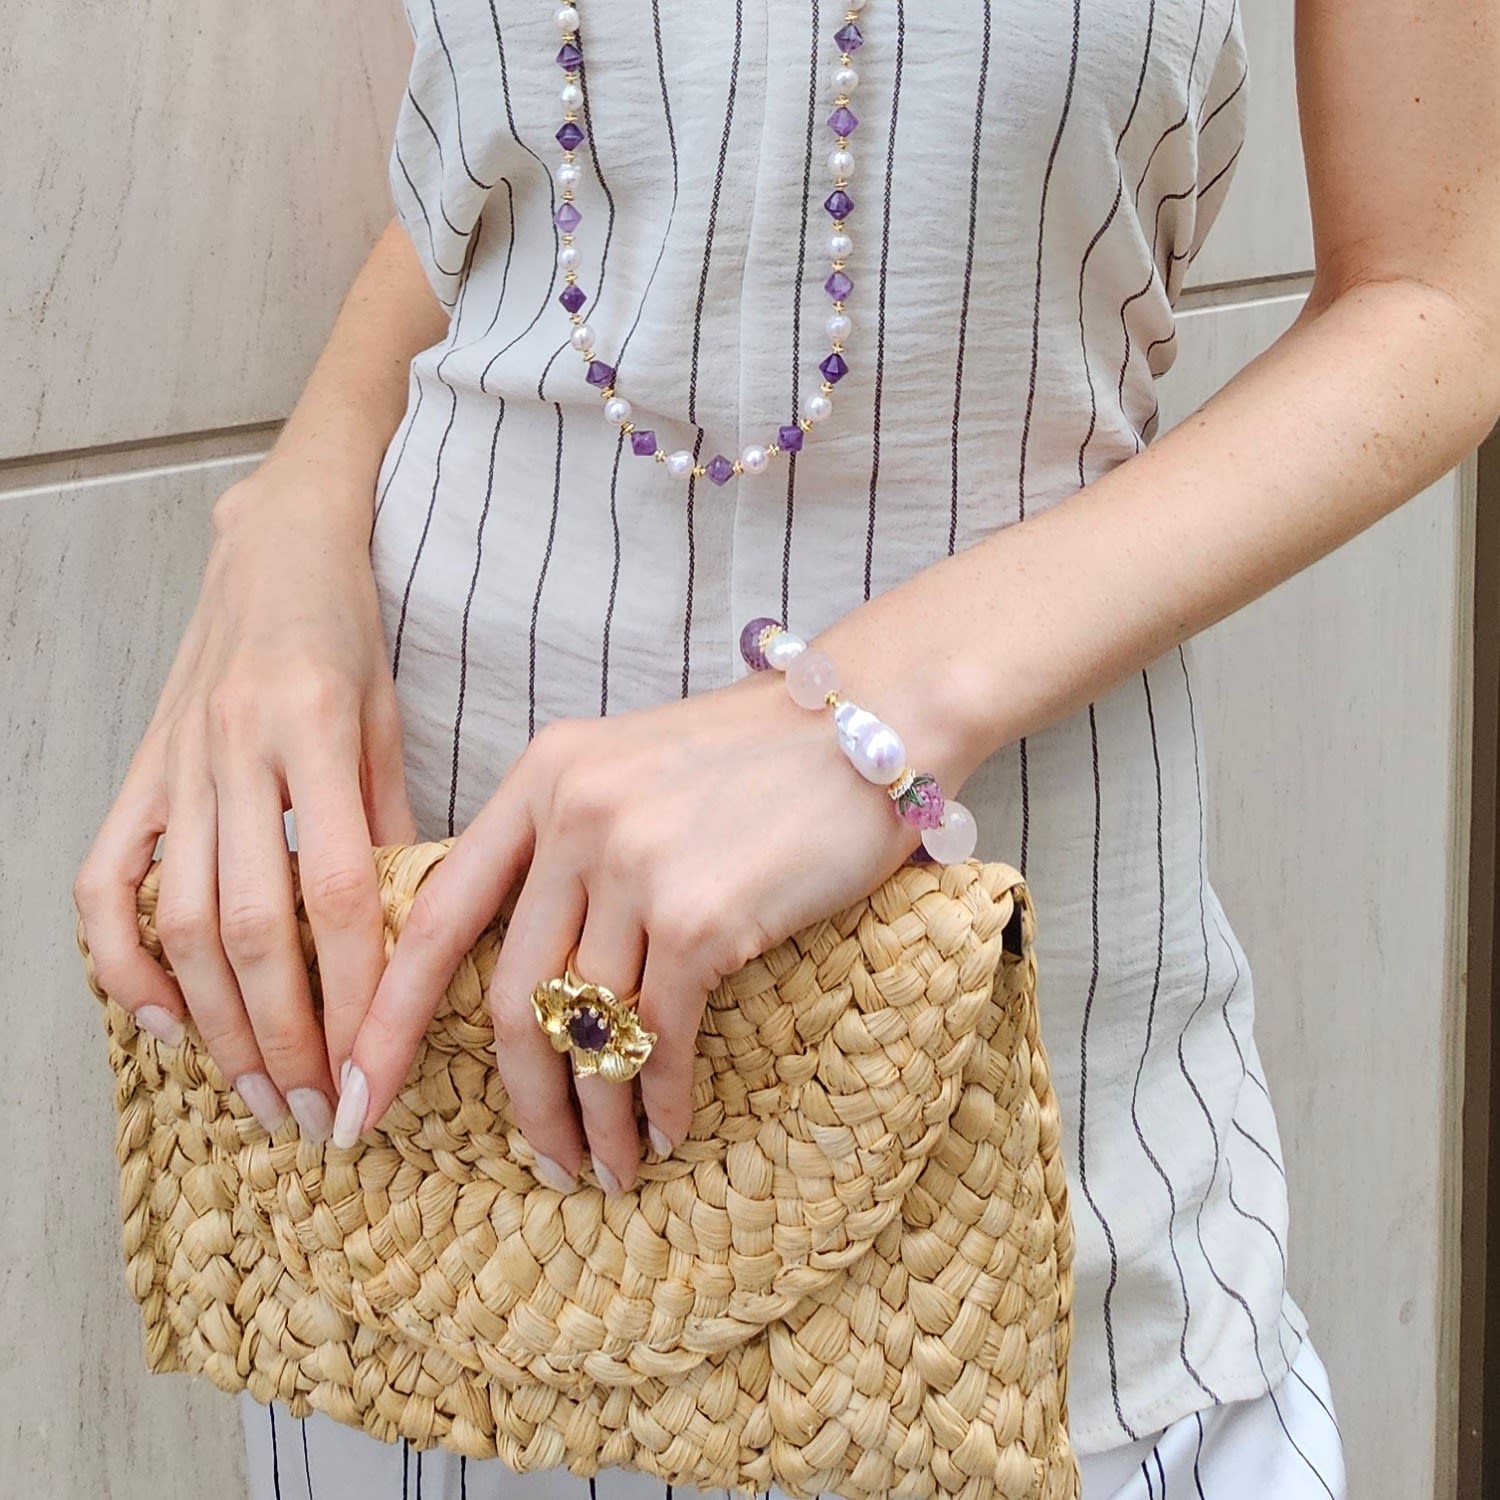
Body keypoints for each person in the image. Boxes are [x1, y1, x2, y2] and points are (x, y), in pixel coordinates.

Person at [72, 1, 1500, 1496]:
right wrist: (296, 503)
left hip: (1022, 1083)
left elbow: (1434, 297)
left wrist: (863, 713)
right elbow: (526, 175)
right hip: (425, 1095)